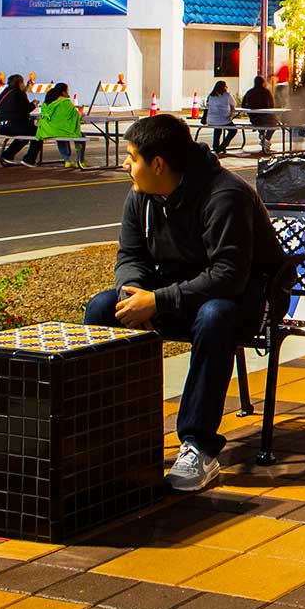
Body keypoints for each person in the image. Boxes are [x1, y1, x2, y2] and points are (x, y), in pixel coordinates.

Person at [83, 115, 283, 491]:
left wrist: (157, 302)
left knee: (214, 315)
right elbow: (130, 256)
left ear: (157, 163)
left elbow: (229, 275)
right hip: (173, 298)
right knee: (101, 308)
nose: (125, 165)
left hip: (240, 304)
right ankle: (109, 435)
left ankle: (198, 446)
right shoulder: (141, 196)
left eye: (131, 157)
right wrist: (134, 294)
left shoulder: (225, 195)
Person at [37, 82, 83, 169]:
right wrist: (80, 112)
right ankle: (80, 160)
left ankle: (67, 160)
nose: (68, 92)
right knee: (81, 135)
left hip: (47, 131)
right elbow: (75, 117)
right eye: (67, 90)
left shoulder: (46, 103)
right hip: (60, 130)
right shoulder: (65, 102)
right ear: (63, 92)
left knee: (60, 137)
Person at [0, 74, 37, 166]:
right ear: (20, 83)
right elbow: (26, 109)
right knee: (38, 132)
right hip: (13, 126)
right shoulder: (19, 93)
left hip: (1, 126)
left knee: (24, 136)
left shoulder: (5, 92)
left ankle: (8, 155)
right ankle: (29, 159)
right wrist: (33, 104)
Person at [242, 74, 277, 153]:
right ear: (262, 83)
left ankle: (262, 136)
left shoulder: (249, 92)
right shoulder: (266, 92)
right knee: (275, 124)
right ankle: (266, 140)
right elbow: (271, 105)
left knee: (261, 124)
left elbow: (243, 105)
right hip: (266, 118)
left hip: (254, 119)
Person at [203, 80, 239, 153]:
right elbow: (234, 104)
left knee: (217, 129)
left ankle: (216, 147)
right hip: (224, 119)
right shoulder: (227, 95)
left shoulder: (211, 95)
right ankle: (223, 146)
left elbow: (207, 106)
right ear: (224, 87)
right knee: (233, 130)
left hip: (211, 120)